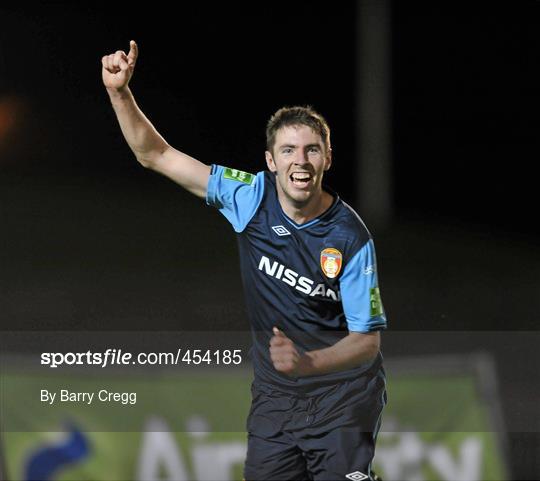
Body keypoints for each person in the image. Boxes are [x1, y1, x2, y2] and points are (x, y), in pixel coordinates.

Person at [102, 40, 387, 481]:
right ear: (270, 161)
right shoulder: (250, 197)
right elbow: (155, 154)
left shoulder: (349, 236)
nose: (301, 161)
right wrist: (120, 92)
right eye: (289, 150)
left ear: (328, 158)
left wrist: (308, 363)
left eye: (312, 150)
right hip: (276, 401)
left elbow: (366, 343)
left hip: (344, 400)